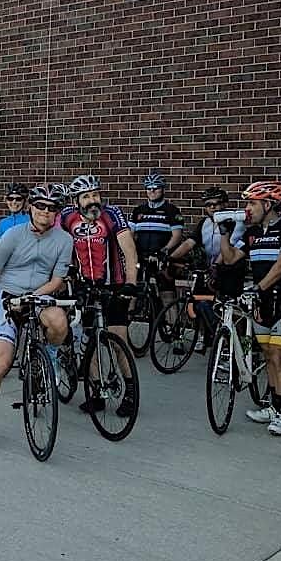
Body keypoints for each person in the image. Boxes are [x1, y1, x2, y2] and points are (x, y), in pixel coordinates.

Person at [0, 184, 75, 448]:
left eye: (52, 208)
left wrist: (32, 296)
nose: (45, 212)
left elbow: (58, 279)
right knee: (2, 362)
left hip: (39, 294)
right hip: (7, 296)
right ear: (31, 207)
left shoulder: (64, 240)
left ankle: (50, 355)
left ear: (57, 213)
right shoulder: (13, 235)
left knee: (60, 321)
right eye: (40, 206)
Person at [219, 181, 281, 437]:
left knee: (279, 356)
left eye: (252, 203)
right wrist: (224, 233)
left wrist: (258, 288)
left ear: (268, 204)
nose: (247, 209)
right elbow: (230, 258)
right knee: (267, 354)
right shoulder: (252, 233)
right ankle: (271, 406)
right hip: (261, 302)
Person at [59, 174, 139, 413]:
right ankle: (97, 391)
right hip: (84, 287)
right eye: (86, 196)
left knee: (118, 340)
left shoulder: (112, 214)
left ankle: (131, 393)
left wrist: (131, 284)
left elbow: (129, 250)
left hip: (114, 286)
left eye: (95, 194)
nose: (93, 200)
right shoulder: (66, 217)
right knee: (89, 339)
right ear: (76, 201)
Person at [169, 187, 246, 351]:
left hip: (230, 268)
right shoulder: (204, 223)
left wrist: (216, 266)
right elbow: (189, 243)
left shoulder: (235, 222)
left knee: (226, 306)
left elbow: (231, 245)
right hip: (210, 268)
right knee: (198, 301)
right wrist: (170, 258)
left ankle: (231, 341)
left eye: (217, 204)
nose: (212, 207)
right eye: (208, 204)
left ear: (225, 204)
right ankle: (204, 336)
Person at [130, 171, 185, 306]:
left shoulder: (172, 210)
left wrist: (164, 251)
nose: (152, 191)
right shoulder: (138, 210)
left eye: (156, 188)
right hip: (141, 258)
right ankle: (127, 320)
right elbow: (130, 234)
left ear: (163, 189)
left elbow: (177, 236)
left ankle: (172, 325)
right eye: (149, 188)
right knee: (132, 292)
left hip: (161, 257)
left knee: (167, 294)